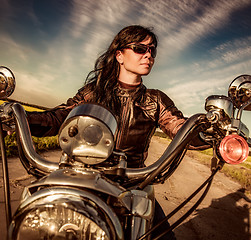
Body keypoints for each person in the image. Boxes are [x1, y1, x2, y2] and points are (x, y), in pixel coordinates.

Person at [27, 25, 206, 239]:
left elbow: (179, 126)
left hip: (132, 184)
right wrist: (17, 117)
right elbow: (58, 118)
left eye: (152, 50)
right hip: (85, 178)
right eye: (140, 48)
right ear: (119, 55)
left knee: (163, 236)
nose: (148, 54)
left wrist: (209, 133)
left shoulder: (155, 100)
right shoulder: (92, 92)